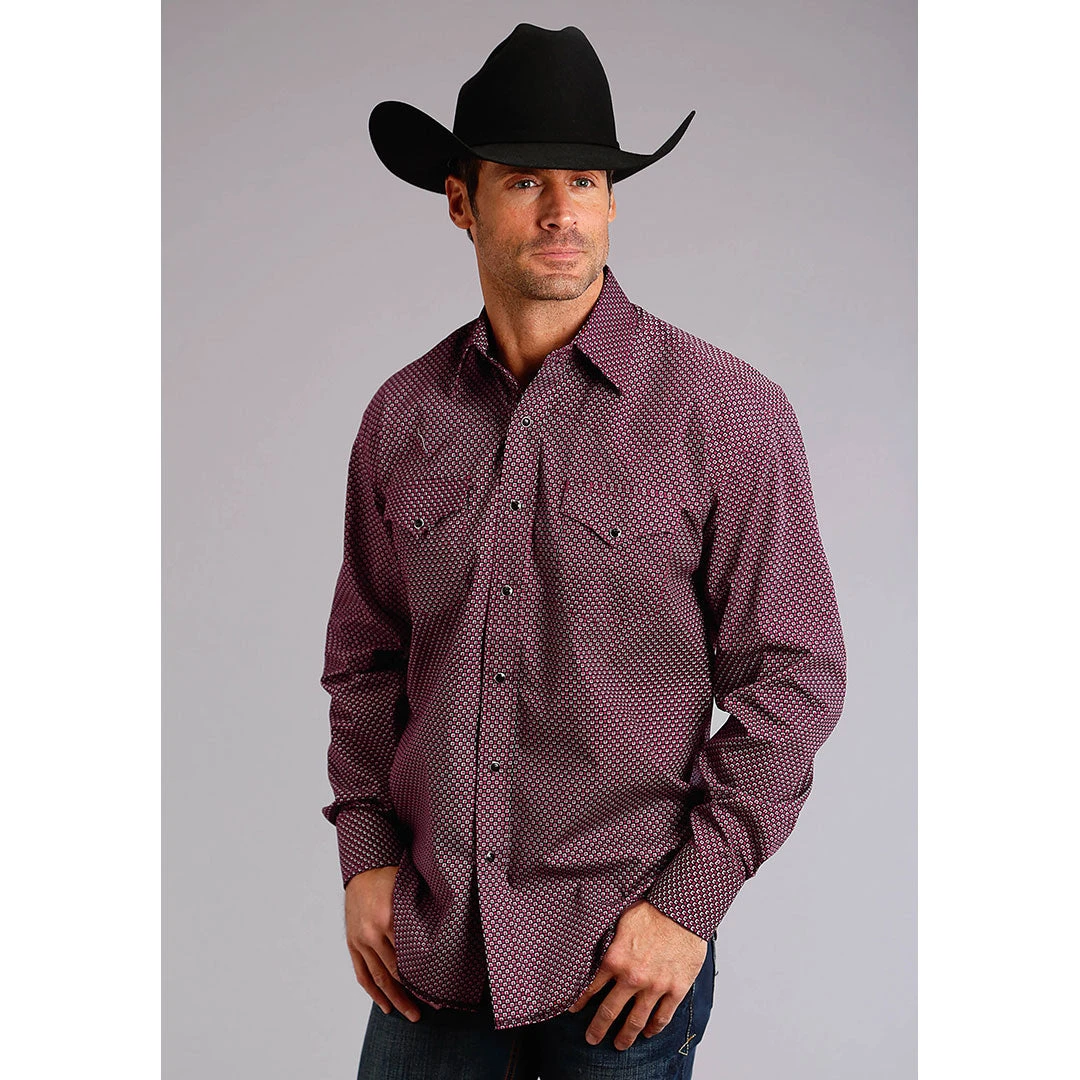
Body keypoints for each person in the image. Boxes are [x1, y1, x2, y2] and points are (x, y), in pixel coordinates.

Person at [320, 22, 847, 1080]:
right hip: (435, 946)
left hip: (621, 961)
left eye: (585, 180)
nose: (561, 211)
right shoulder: (403, 417)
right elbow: (365, 663)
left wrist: (688, 908)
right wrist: (365, 855)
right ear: (462, 202)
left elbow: (796, 677)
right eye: (524, 182)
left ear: (612, 202)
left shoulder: (726, 413)